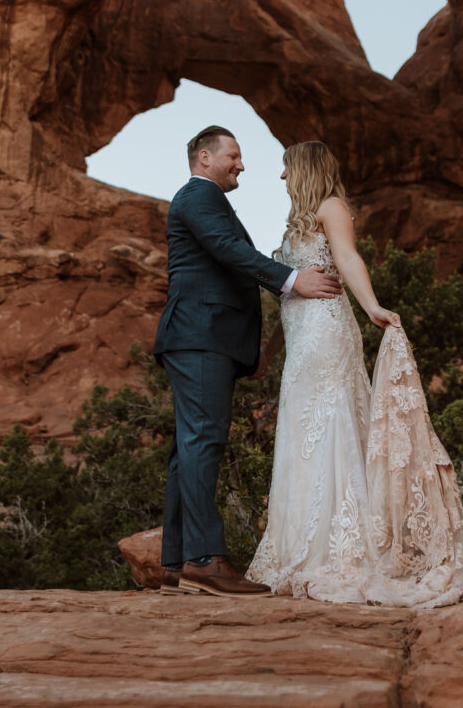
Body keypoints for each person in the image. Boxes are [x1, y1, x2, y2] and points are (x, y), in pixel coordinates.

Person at [247, 141, 463, 607]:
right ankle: (300, 547)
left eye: (287, 169)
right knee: (301, 430)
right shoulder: (298, 222)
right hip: (299, 340)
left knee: (330, 425)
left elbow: (346, 260)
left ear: (304, 169)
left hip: (328, 335)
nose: (282, 178)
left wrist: (372, 308)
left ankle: (340, 550)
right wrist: (270, 351)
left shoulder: (332, 207)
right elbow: (293, 293)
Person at [154, 126, 343, 598]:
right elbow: (230, 251)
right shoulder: (198, 197)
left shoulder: (207, 199)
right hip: (199, 337)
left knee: (189, 448)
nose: (241, 164)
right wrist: (293, 279)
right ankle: (204, 560)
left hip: (207, 338)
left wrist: (251, 346)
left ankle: (179, 563)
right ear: (204, 157)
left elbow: (226, 265)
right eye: (233, 156)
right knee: (202, 441)